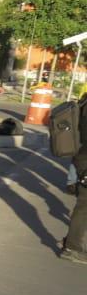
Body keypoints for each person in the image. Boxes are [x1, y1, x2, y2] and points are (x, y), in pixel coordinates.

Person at [61, 96, 87, 265]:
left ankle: (71, 242)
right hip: (85, 158)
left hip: (82, 157)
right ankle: (72, 247)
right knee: (84, 204)